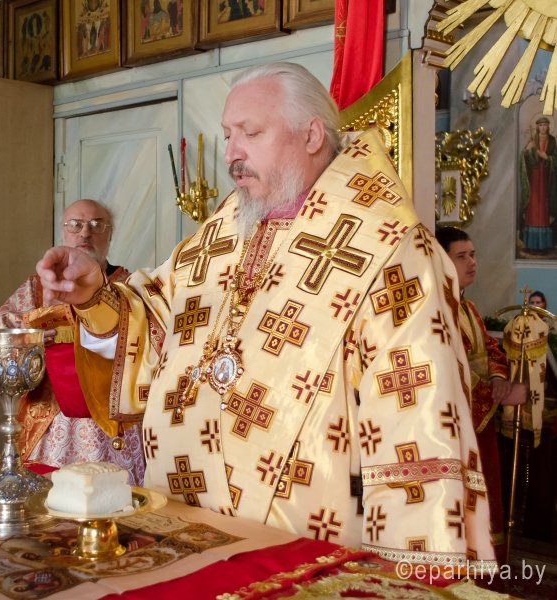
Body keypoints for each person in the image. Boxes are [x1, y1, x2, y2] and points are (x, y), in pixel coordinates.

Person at [36, 62, 495, 567]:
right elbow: (158, 318)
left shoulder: (391, 250)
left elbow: (416, 427)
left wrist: (405, 574)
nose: (231, 153)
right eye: (228, 134)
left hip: (305, 552)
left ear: (312, 135)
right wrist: (95, 295)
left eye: (250, 133)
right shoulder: (226, 228)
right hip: (179, 530)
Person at [0, 200, 144, 484]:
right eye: (75, 225)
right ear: (63, 232)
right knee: (47, 495)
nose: (85, 232)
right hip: (50, 421)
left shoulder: (130, 287)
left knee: (115, 495)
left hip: (112, 418)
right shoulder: (38, 287)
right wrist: (30, 336)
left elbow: (148, 343)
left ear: (110, 234)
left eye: (96, 225)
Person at [436, 226, 527, 563]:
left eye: (473, 254)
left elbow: (489, 349)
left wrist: (499, 377)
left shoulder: (468, 307)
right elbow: (448, 367)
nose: (472, 262)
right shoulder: (437, 309)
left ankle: (489, 570)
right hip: (458, 426)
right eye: (462, 256)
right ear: (441, 260)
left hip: (482, 422)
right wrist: (495, 393)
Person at [519, 116, 557, 253]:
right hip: (534, 179)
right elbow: (524, 158)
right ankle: (531, 244)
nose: (543, 128)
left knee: (544, 208)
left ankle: (545, 245)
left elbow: (556, 159)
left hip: (547, 180)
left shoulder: (552, 141)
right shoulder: (533, 140)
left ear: (548, 126)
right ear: (537, 127)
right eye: (540, 125)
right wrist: (527, 151)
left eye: (545, 125)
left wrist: (548, 158)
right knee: (533, 207)